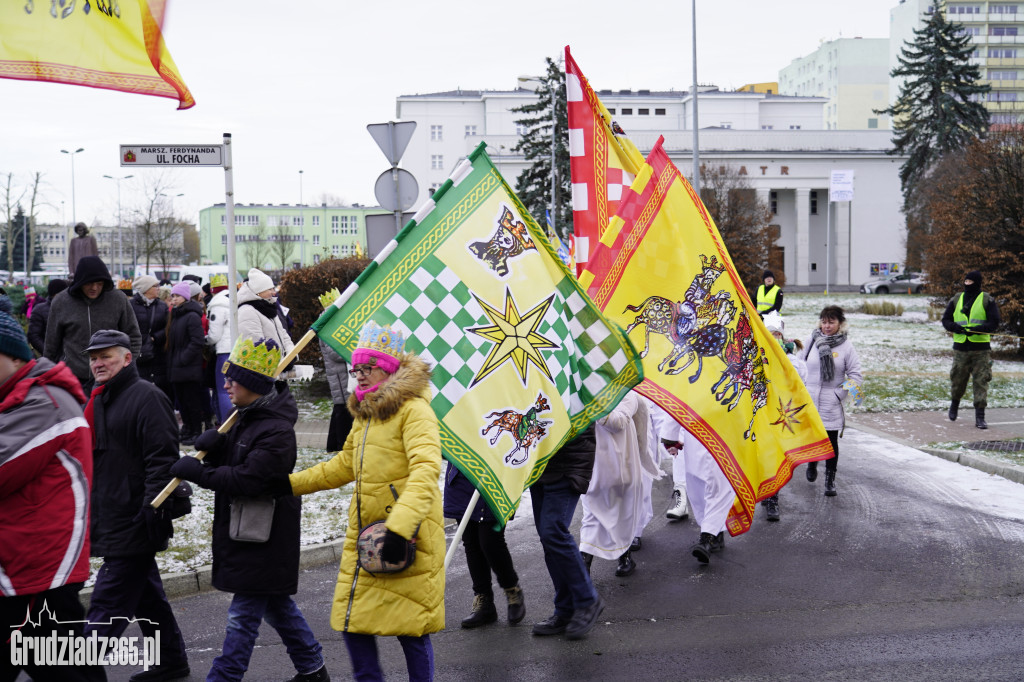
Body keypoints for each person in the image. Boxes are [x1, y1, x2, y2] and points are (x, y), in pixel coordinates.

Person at [272, 322, 444, 680]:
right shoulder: (366, 412)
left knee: (411, 627)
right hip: (367, 538)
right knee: (354, 625)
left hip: (406, 537)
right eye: (356, 369)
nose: (360, 375)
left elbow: (426, 472)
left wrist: (399, 528)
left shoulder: (414, 411)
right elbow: (344, 464)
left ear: (390, 369)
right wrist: (287, 484)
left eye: (368, 368)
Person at [170, 336, 328, 682]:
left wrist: (200, 473)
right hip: (245, 531)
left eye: (233, 379)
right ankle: (313, 669)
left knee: (242, 617)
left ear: (253, 384)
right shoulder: (242, 418)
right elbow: (236, 463)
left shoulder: (277, 430)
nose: (225, 385)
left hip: (266, 536)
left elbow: (251, 480)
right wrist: (215, 450)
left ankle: (224, 677)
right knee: (276, 605)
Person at [0, 303, 104, 682]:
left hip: (39, 567)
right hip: (19, 563)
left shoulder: (45, 403)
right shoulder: (15, 398)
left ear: (14, 356)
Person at [82, 330, 190, 682]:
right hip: (110, 513)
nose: (98, 363)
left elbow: (163, 459)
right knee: (146, 597)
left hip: (137, 517)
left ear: (127, 358)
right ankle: (171, 662)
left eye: (106, 356)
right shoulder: (99, 397)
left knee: (107, 602)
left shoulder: (147, 396)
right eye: (94, 358)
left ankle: (75, 671)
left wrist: (152, 507)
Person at [530, 424, 605, 640]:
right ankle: (564, 610)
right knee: (549, 540)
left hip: (567, 464)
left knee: (553, 532)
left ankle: (588, 600)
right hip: (538, 466)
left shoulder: (572, 397)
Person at [579, 392, 660, 578]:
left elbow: (618, 422)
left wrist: (593, 405)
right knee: (592, 515)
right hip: (594, 467)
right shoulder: (583, 391)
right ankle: (583, 568)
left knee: (623, 515)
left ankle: (625, 557)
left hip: (622, 468)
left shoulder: (626, 393)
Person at [44, 256, 142, 393]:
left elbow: (134, 336)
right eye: (89, 283)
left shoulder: (118, 299)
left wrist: (127, 365)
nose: (94, 288)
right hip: (72, 378)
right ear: (79, 282)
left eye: (99, 283)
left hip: (112, 378)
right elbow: (51, 344)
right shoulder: (61, 301)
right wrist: (50, 374)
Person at [444, 465, 526, 628]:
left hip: (494, 474)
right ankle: (484, 601)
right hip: (462, 475)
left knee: (490, 540)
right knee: (471, 542)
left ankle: (512, 590)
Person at [802, 305, 863, 497]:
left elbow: (855, 376)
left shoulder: (846, 346)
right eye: (824, 322)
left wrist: (840, 394)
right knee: (812, 437)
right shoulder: (811, 340)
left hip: (831, 401)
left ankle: (830, 479)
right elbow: (799, 366)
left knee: (830, 441)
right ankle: (812, 463)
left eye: (831, 322)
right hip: (810, 399)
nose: (827, 326)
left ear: (840, 323)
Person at [760, 312, 807, 522]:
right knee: (763, 455)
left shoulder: (791, 359)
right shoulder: (758, 354)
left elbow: (800, 381)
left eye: (777, 334)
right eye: (770, 334)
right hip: (761, 412)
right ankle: (765, 491)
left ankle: (773, 498)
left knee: (776, 455)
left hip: (781, 414)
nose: (774, 338)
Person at [940, 269, 1001, 429]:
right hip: (960, 348)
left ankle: (980, 417)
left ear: (977, 283)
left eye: (970, 282)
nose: (967, 284)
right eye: (965, 281)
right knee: (958, 379)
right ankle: (954, 405)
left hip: (981, 350)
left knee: (981, 381)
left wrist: (979, 329)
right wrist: (954, 327)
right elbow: (946, 320)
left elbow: (994, 322)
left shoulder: (987, 299)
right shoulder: (956, 299)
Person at [165, 281, 207, 445]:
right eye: (172, 296)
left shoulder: (191, 316)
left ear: (185, 297)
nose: (174, 299)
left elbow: (197, 341)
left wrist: (183, 359)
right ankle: (188, 429)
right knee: (182, 401)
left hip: (188, 368)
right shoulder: (176, 315)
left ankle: (196, 431)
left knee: (192, 401)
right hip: (177, 367)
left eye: (177, 296)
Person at [129, 275, 172, 401]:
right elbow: (126, 327)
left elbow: (168, 328)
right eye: (155, 286)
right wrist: (140, 339)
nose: (159, 288)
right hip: (138, 353)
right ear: (146, 288)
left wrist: (155, 338)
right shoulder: (131, 305)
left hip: (158, 353)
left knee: (160, 388)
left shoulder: (162, 306)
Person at [237, 268, 295, 355]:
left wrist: (290, 354)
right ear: (259, 291)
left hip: (279, 362)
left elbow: (283, 334)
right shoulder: (247, 312)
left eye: (273, 289)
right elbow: (255, 346)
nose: (274, 292)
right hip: (267, 363)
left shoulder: (269, 308)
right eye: (270, 289)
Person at [205, 274, 234, 424]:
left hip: (224, 352)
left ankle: (226, 424)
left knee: (223, 390)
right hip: (237, 349)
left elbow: (214, 335)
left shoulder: (217, 305)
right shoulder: (233, 299)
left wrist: (206, 340)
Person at [27, 278, 68, 355]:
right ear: (54, 294)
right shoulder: (39, 310)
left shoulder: (70, 308)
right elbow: (34, 336)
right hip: (51, 357)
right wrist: (48, 353)